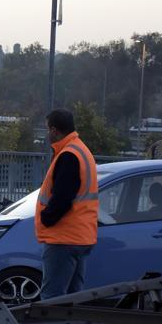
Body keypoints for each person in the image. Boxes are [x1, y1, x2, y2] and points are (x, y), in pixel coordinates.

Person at [35, 109, 99, 300]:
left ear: (54, 130)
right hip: (80, 235)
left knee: (52, 298)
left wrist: (47, 218)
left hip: (64, 237)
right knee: (72, 298)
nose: (47, 134)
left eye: (47, 129)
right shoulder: (81, 150)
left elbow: (63, 196)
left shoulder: (69, 154)